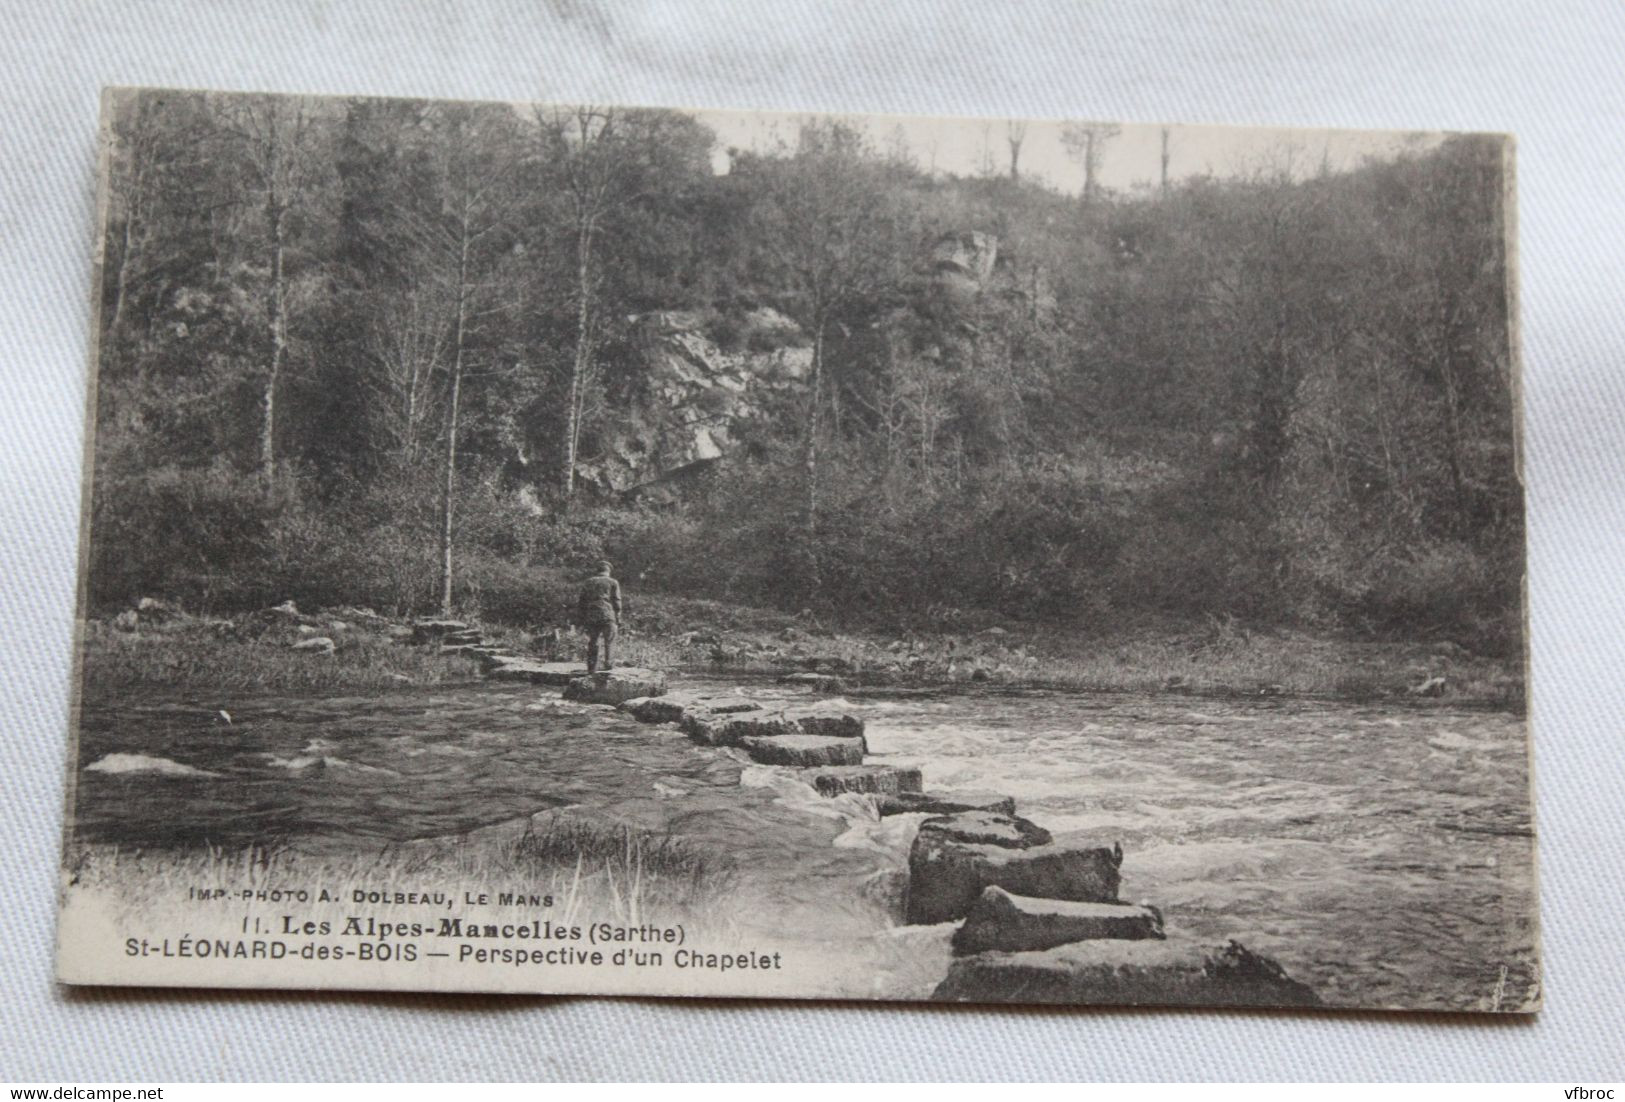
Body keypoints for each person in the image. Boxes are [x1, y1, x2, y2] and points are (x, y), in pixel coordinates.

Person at [576, 560, 622, 673]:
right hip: (607, 614)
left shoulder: (589, 582)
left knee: (593, 641)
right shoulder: (613, 582)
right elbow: (617, 601)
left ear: (598, 570)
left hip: (592, 614)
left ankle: (591, 668)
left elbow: (582, 601)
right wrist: (618, 615)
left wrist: (583, 616)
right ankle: (609, 667)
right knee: (610, 640)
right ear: (608, 571)